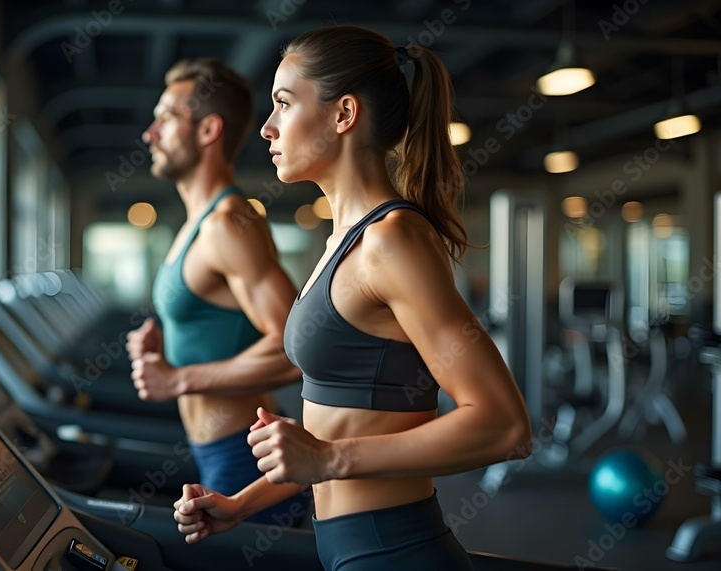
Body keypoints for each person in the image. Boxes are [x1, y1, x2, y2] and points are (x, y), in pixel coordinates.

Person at [172, 27, 533, 570]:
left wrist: (328, 457)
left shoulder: (391, 241)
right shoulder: (344, 242)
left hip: (396, 550)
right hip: (348, 549)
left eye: (285, 104)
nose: (267, 128)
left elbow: (504, 425)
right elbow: (334, 432)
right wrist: (240, 504)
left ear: (343, 114)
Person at [126, 57, 307, 525]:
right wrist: (164, 346)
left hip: (243, 458)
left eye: (166, 118)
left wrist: (179, 379)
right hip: (214, 451)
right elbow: (222, 324)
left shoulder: (229, 223)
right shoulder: (197, 222)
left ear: (208, 131)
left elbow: (295, 350)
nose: (151, 133)